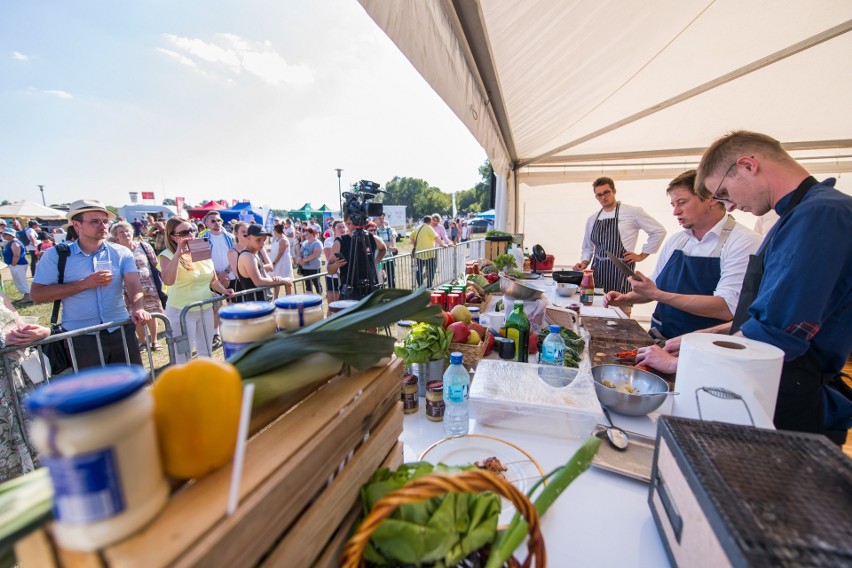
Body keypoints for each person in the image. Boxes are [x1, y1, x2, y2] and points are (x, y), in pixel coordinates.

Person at [641, 130, 852, 443]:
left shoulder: (820, 214)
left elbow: (777, 332)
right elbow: (757, 318)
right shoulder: (795, 217)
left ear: (747, 166)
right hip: (767, 381)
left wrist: (685, 363)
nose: (731, 205)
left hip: (788, 393)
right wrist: (698, 339)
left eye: (725, 192)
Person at [604, 170, 761, 340]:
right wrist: (625, 298)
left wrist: (657, 294)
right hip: (660, 339)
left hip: (704, 348)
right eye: (673, 205)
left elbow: (726, 308)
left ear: (712, 199)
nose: (675, 212)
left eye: (682, 202)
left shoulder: (743, 242)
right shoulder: (676, 241)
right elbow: (656, 287)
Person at [30, 199, 151, 368]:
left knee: (131, 389)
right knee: (95, 391)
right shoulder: (57, 255)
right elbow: (37, 294)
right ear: (77, 225)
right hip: (81, 336)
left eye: (105, 221)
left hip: (119, 329)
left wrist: (138, 306)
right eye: (94, 221)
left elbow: (133, 284)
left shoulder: (121, 252)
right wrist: (83, 284)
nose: (102, 226)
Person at [573, 177, 667, 296]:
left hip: (621, 272)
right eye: (599, 195)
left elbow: (658, 231)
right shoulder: (592, 219)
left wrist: (642, 255)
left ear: (614, 191)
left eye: (606, 192)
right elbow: (587, 247)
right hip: (598, 271)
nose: (603, 197)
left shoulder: (632, 212)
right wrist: (584, 263)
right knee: (596, 307)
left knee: (621, 307)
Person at [159, 217, 233, 363]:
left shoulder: (201, 249)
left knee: (206, 351)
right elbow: (168, 281)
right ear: (173, 236)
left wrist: (224, 291)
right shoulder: (166, 255)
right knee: (183, 355)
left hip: (205, 308)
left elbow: (213, 280)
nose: (191, 234)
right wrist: (178, 254)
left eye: (192, 230)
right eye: (185, 232)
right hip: (181, 311)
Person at [0, 290, 52, 481]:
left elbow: (18, 322)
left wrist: (42, 332)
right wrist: (2, 341)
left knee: (34, 444)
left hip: (19, 382)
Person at [110, 221, 164, 351]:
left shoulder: (144, 246)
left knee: (152, 314)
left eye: (127, 231)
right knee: (136, 316)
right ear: (116, 236)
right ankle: (143, 341)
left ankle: (154, 340)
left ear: (132, 232)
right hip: (129, 290)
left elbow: (155, 264)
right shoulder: (115, 252)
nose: (125, 234)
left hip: (149, 287)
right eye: (121, 232)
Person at [328, 215, 386, 301]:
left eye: (353, 223)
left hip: (370, 288)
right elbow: (329, 269)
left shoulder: (372, 238)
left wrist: (375, 261)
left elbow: (383, 249)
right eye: (348, 223)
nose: (352, 226)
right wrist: (336, 265)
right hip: (350, 291)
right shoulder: (340, 242)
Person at [203, 211, 235, 348]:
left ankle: (233, 330)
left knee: (232, 304)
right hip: (212, 279)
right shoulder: (203, 239)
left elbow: (236, 256)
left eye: (219, 220)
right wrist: (217, 275)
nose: (217, 223)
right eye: (213, 221)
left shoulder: (231, 237)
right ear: (206, 224)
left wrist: (226, 273)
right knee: (214, 308)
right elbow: (202, 260)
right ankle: (215, 334)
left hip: (231, 276)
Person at [235, 225, 290, 301]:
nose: (262, 244)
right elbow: (258, 281)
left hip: (263, 301)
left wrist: (275, 279)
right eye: (258, 240)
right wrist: (281, 280)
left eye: (264, 240)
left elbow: (264, 275)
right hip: (256, 305)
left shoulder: (254, 254)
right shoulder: (247, 256)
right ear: (248, 238)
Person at [410, 215, 447, 287]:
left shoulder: (418, 227)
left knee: (419, 270)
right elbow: (436, 237)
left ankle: (421, 286)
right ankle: (429, 284)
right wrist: (443, 244)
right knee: (432, 269)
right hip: (428, 254)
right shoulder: (428, 227)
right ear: (430, 222)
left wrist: (415, 245)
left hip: (419, 253)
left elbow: (411, 236)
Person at [2, 229, 31, 303]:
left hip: (18, 264)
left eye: (4, 234)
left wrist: (13, 264)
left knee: (20, 280)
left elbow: (17, 255)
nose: (2, 235)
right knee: (18, 280)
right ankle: (26, 296)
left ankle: (28, 297)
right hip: (17, 264)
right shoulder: (11, 242)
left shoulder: (14, 243)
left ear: (9, 235)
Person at [270, 224, 294, 299]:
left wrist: (274, 263)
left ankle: (289, 298)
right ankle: (276, 298)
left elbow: (280, 253)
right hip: (277, 263)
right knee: (276, 280)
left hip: (283, 263)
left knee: (287, 280)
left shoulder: (283, 240)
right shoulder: (277, 239)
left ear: (276, 230)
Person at [323, 220, 346, 302]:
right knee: (333, 305)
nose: (342, 229)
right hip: (333, 276)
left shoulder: (347, 240)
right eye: (339, 227)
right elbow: (330, 257)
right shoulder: (329, 241)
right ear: (333, 229)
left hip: (344, 276)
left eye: (343, 227)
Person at [297, 227, 324, 294]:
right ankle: (309, 299)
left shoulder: (317, 243)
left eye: (307, 233)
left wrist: (304, 260)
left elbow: (315, 254)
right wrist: (300, 258)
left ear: (312, 234)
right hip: (305, 267)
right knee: (308, 285)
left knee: (316, 283)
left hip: (314, 267)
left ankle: (319, 297)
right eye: (305, 233)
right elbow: (300, 252)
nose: (305, 234)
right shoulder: (305, 243)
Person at [374, 213, 397, 288]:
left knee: (391, 278)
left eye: (383, 218)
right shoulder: (374, 230)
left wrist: (381, 244)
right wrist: (385, 245)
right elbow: (375, 244)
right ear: (375, 219)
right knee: (379, 280)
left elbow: (391, 243)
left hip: (388, 258)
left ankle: (393, 296)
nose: (381, 220)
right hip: (378, 258)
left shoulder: (388, 229)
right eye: (379, 218)